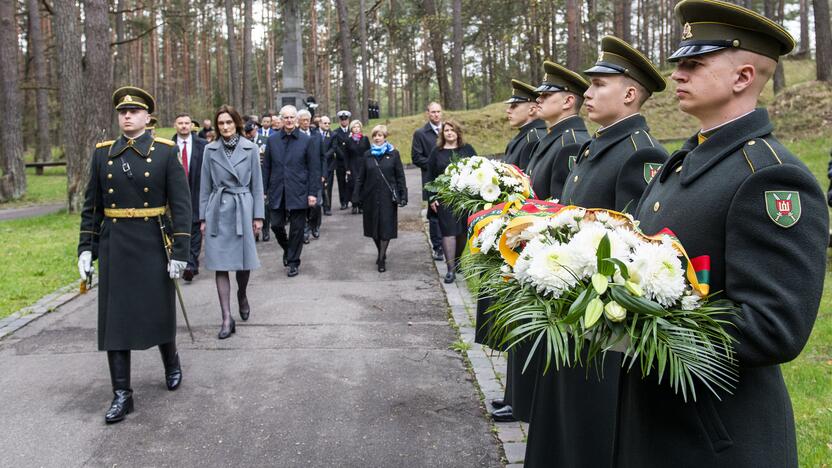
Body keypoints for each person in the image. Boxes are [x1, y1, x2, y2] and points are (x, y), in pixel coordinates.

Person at [617, 2, 827, 466]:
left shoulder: (769, 178)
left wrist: (636, 324)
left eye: (694, 64)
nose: (677, 74)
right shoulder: (685, 162)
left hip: (715, 436)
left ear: (742, 77)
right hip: (660, 420)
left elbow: (774, 327)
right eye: (678, 63)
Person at [526, 36, 670, 468]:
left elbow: (627, 249)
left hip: (599, 328)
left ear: (629, 94)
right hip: (571, 312)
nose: (585, 93)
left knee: (589, 431)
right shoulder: (596, 146)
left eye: (598, 85)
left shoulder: (638, 153)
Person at [77, 86, 191, 424]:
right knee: (116, 319)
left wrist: (180, 252)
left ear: (147, 117)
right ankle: (122, 394)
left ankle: (171, 361)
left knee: (157, 310)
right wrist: (86, 248)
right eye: (122, 112)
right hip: (116, 244)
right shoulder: (102, 154)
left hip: (153, 241)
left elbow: (182, 207)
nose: (127, 116)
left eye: (134, 112)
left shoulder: (165, 153)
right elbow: (91, 207)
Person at [199, 106, 264, 339]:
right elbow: (204, 186)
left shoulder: (250, 148)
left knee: (244, 264)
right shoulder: (209, 150)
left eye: (228, 122)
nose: (224, 127)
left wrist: (258, 216)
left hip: (242, 207)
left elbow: (257, 185)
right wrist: (203, 218)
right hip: (217, 208)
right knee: (220, 264)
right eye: (220, 123)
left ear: (236, 123)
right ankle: (226, 317)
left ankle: (242, 294)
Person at [263, 105, 322, 277]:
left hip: (299, 189)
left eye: (291, 117)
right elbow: (266, 167)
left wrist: (312, 193)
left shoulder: (306, 140)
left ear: (296, 119)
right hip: (277, 189)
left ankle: (294, 261)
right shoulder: (273, 141)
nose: (289, 120)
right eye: (285, 117)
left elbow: (313, 168)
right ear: (280, 120)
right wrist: (264, 189)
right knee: (276, 224)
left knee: (297, 228)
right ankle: (288, 249)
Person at [524, 61, 591, 201]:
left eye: (546, 95)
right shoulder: (553, 138)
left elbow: (563, 206)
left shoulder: (571, 144)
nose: (538, 99)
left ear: (568, 101)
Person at [426, 120, 476, 283]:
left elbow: (478, 170)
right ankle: (450, 270)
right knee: (448, 233)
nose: (449, 133)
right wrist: (431, 198)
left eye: (452, 130)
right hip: (444, 198)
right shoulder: (437, 152)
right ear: (442, 134)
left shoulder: (467, 150)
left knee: (462, 233)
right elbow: (430, 176)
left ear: (457, 132)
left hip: (464, 198)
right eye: (446, 130)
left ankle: (457, 260)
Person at [352, 125, 407, 272]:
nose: (377, 138)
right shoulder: (367, 155)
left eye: (380, 135)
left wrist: (403, 194)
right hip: (370, 196)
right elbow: (360, 177)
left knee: (386, 227)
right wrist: (356, 196)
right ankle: (380, 251)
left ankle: (382, 258)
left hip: (388, 197)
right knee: (373, 228)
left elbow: (400, 176)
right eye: (375, 135)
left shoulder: (394, 154)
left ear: (385, 137)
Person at [172, 113, 207, 281]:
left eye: (187, 123)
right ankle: (180, 259)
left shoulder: (203, 145)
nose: (184, 126)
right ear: (175, 125)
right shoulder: (167, 146)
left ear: (192, 125)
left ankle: (191, 265)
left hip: (197, 191)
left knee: (195, 229)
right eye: (181, 123)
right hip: (175, 194)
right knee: (179, 228)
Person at [411, 102, 444, 260]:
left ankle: (450, 244)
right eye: (433, 112)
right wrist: (434, 165)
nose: (436, 115)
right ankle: (437, 247)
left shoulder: (448, 130)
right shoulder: (421, 133)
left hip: (451, 179)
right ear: (428, 113)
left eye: (438, 111)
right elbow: (416, 157)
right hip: (431, 179)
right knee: (435, 214)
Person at [502, 79, 546, 169]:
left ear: (532, 109)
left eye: (514, 106)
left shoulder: (534, 139)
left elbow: (527, 181)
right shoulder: (525, 136)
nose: (508, 110)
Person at [298, 109, 323, 243]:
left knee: (316, 205)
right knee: (304, 206)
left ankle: (315, 225)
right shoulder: (295, 136)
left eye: (308, 120)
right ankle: (305, 230)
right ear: (299, 122)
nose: (306, 122)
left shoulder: (317, 135)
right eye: (303, 120)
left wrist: (323, 173)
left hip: (316, 175)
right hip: (301, 176)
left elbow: (322, 156)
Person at [244, 120, 271, 242]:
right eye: (247, 132)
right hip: (248, 177)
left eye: (251, 131)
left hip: (264, 176)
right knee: (251, 205)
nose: (250, 134)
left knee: (265, 205)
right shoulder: (244, 142)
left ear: (256, 129)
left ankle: (265, 230)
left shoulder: (266, 140)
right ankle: (254, 232)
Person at [331, 110, 354, 210]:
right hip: (340, 161)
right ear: (340, 121)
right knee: (341, 182)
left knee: (352, 181)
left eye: (346, 119)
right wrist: (343, 156)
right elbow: (335, 147)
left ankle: (353, 200)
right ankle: (343, 202)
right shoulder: (335, 132)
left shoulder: (352, 131)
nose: (344, 121)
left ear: (348, 120)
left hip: (351, 161)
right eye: (342, 119)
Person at [347, 119, 370, 214]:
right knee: (354, 184)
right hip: (353, 164)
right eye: (354, 127)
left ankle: (361, 204)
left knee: (363, 184)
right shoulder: (348, 140)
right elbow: (346, 155)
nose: (356, 129)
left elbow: (369, 152)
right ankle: (354, 204)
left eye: (358, 127)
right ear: (351, 129)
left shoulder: (365, 139)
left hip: (363, 164)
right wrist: (347, 168)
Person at [319, 116, 336, 216]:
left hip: (329, 164)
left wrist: (323, 156)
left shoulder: (333, 135)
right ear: (320, 123)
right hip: (317, 165)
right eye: (325, 123)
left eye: (329, 123)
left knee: (328, 187)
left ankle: (327, 207)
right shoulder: (314, 133)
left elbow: (333, 148)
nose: (327, 125)